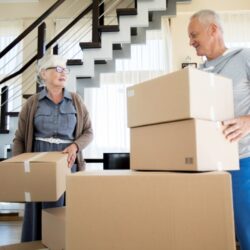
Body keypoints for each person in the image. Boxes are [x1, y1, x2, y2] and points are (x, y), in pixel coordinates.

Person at [12, 54, 93, 242]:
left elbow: (88, 132)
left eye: (65, 69)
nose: (63, 72)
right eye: (57, 68)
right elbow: (19, 139)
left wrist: (75, 146)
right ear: (43, 74)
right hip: (37, 165)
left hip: (67, 164)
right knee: (37, 212)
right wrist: (20, 168)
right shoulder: (32, 103)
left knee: (62, 212)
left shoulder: (76, 101)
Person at [188, 9, 250, 250]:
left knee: (246, 233)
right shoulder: (197, 74)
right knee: (214, 234)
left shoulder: (244, 57)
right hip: (207, 167)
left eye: (194, 34)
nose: (191, 41)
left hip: (243, 163)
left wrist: (248, 120)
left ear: (213, 29)